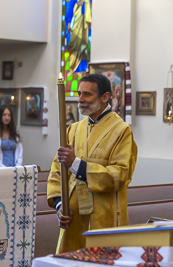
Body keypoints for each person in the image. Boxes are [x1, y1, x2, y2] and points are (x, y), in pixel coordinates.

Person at [47, 74, 137, 254]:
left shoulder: (121, 131)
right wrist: (59, 205)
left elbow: (121, 174)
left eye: (87, 94)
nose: (80, 99)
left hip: (103, 218)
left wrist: (77, 165)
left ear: (104, 97)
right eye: (79, 93)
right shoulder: (73, 128)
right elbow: (57, 171)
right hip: (73, 219)